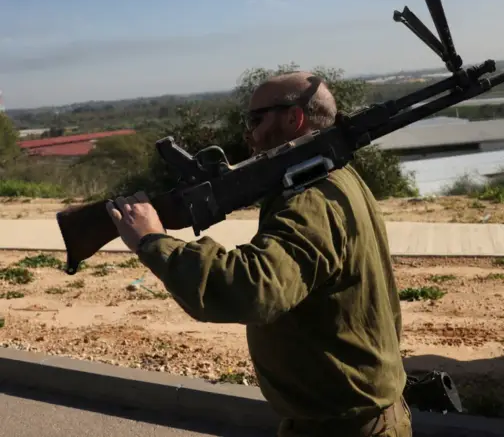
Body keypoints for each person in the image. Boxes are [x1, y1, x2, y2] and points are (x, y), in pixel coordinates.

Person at [106, 71, 412, 437]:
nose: (248, 133)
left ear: (294, 118)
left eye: (256, 119)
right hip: (339, 418)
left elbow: (254, 288)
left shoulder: (312, 199)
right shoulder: (333, 177)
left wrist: (153, 241)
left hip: (346, 427)